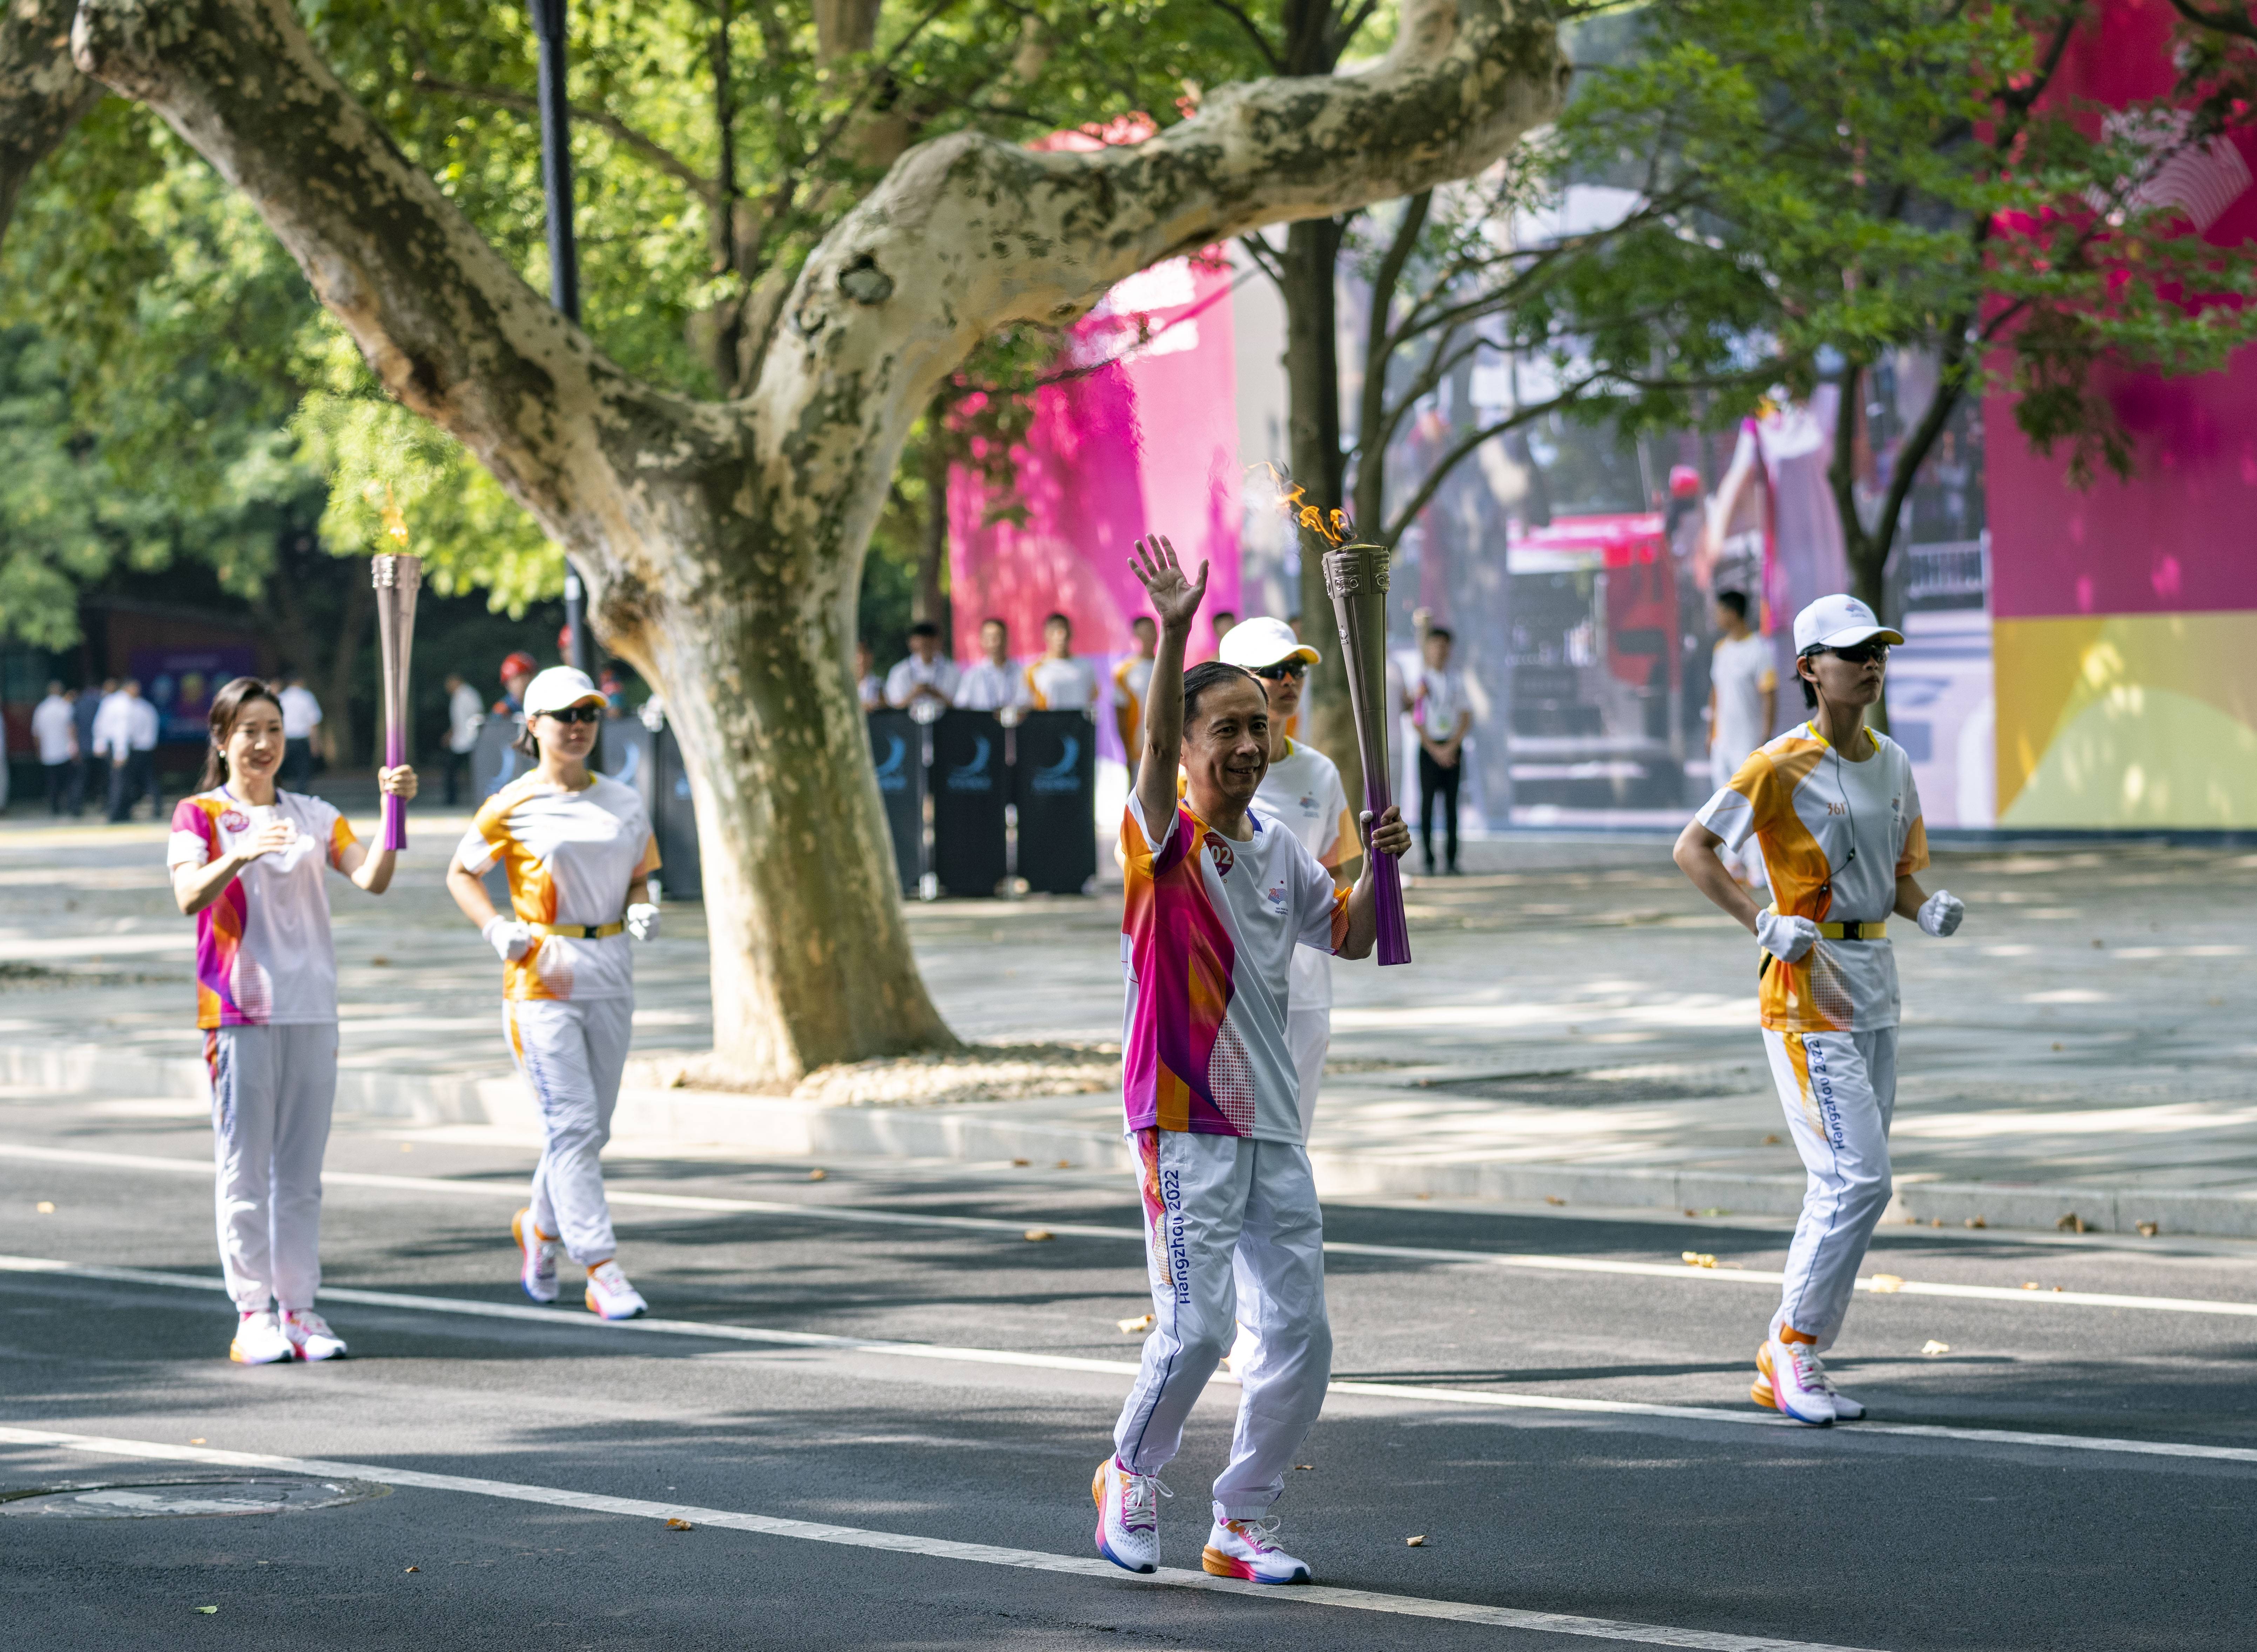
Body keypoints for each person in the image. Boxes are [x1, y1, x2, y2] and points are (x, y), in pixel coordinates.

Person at [1093, 534, 1410, 1586]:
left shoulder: (1277, 843)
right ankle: (1130, 1469)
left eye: (1258, 726)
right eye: (1223, 728)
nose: (1247, 742)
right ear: (1183, 747)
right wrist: (1176, 627)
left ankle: (1243, 1517)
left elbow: (1355, 937)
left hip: (1272, 1116)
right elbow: (1143, 758)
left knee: (1303, 1335)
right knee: (1200, 1326)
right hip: (1184, 1115)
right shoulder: (1160, 839)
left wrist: (1380, 860)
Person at [1672, 594, 1966, 1428]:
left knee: (1849, 1184)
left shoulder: (1892, 763)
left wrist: (1925, 907)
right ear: (1808, 669)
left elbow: (1901, 877)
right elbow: (1693, 849)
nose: (1869, 665)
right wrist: (1759, 917)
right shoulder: (1775, 764)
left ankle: (1790, 1356)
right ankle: (1791, 1345)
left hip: (1875, 982)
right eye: (1850, 653)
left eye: (1877, 651)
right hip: (1805, 993)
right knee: (1857, 1178)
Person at [167, 677, 418, 1364]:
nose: (263, 744)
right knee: (245, 1169)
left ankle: (300, 1310)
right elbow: (189, 895)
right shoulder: (199, 815)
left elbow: (371, 877)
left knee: (301, 1174)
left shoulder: (315, 814)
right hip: (238, 1009)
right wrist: (241, 852)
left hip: (311, 1006)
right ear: (222, 741)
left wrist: (393, 812)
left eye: (273, 729)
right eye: (248, 730)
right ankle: (253, 1314)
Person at [445, 666, 662, 1322]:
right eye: (564, 715)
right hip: (543, 971)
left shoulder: (624, 800)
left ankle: (538, 1229)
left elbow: (639, 875)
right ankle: (601, 1266)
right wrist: (495, 926)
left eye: (588, 715)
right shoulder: (513, 803)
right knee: (570, 1124)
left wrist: (642, 906)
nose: (578, 727)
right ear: (533, 726)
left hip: (610, 967)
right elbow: (461, 871)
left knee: (590, 1130)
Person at [1217, 617, 1357, 1142]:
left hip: (1304, 986)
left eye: (1295, 668)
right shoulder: (1198, 774)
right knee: (1237, 1142)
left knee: (1292, 1139)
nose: (1288, 680)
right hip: (1229, 990)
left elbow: (1338, 874)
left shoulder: (1319, 772)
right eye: (1273, 670)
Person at [1707, 591, 1778, 889]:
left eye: (1720, 611)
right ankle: (1732, 864)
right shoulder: (1721, 649)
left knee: (1750, 806)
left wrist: (1764, 737)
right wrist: (1711, 731)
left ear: (1733, 613)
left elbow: (1769, 695)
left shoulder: (1759, 650)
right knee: (1724, 805)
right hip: (1722, 743)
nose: (1717, 616)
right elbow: (1716, 692)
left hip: (1748, 742)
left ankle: (1756, 868)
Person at [1405, 623, 1470, 876]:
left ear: (1450, 649)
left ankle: (1452, 860)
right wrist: (1434, 749)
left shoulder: (1457, 680)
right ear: (1428, 649)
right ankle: (1429, 859)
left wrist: (1452, 746)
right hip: (1429, 748)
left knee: (1452, 806)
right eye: (1435, 646)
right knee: (1428, 805)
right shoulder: (1421, 681)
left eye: (1444, 646)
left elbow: (1466, 716)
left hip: (1452, 747)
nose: (1440, 651)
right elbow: (1417, 718)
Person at [98, 678, 161, 823]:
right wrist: (121, 753)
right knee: (121, 781)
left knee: (120, 780)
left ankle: (121, 812)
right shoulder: (125, 705)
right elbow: (122, 730)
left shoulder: (110, 702)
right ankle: (117, 813)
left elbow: (100, 725)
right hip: (122, 746)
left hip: (116, 745)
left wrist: (100, 744)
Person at [955, 617, 1030, 713]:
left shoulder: (1021, 673)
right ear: (982, 641)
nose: (994, 643)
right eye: (989, 638)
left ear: (1006, 639)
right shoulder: (972, 675)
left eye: (998, 637)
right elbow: (961, 706)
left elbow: (1025, 703)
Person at [1026, 611, 1097, 711]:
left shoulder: (1085, 666)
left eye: (1064, 630)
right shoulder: (1033, 670)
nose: (1061, 636)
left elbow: (1092, 699)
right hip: (1050, 724)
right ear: (1046, 635)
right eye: (1055, 631)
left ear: (1071, 633)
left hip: (1079, 725)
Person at [1111, 615, 1158, 764]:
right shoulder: (1124, 672)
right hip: (1138, 750)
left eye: (1152, 632)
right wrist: (1127, 751)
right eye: (1143, 633)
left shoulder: (1169, 667)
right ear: (1135, 636)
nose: (1148, 637)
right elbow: (1120, 714)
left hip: (1166, 748)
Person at [885, 621, 961, 711]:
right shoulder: (899, 672)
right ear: (912, 643)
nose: (926, 648)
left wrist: (936, 694)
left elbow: (960, 706)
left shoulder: (952, 671)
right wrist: (915, 694)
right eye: (923, 644)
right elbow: (894, 707)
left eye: (929, 644)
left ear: (938, 642)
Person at [32, 682, 77, 815]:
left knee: (52, 783)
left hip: (48, 753)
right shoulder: (66, 707)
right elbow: (72, 729)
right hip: (65, 752)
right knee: (68, 783)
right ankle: (70, 807)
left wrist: (38, 750)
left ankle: (55, 808)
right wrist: (75, 747)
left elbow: (36, 733)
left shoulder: (41, 709)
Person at [277, 673, 323, 792]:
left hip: (286, 739)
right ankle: (300, 795)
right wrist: (315, 743)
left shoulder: (282, 698)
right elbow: (313, 722)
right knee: (303, 771)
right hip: (302, 739)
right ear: (300, 682)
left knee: (282, 769)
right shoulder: (307, 697)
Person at [444, 672, 484, 807]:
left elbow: (477, 715)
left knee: (473, 770)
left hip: (470, 741)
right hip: (460, 741)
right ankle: (451, 800)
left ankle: (476, 797)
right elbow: (458, 721)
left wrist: (475, 734)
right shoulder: (458, 696)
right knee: (452, 770)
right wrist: (451, 734)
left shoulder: (468, 695)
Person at [73, 680, 110, 814]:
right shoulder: (102, 703)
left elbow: (73, 727)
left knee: (81, 779)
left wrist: (74, 746)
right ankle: (106, 805)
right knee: (105, 778)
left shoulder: (79, 703)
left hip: (84, 747)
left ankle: (76, 808)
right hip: (100, 748)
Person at [496, 651, 538, 717]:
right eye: (515, 679)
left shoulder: (542, 700)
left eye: (525, 676)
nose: (522, 683)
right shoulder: (503, 710)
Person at [855, 642, 885, 711]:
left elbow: (886, 708)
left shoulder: (879, 684)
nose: (861, 660)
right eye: (857, 654)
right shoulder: (844, 684)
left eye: (864, 654)